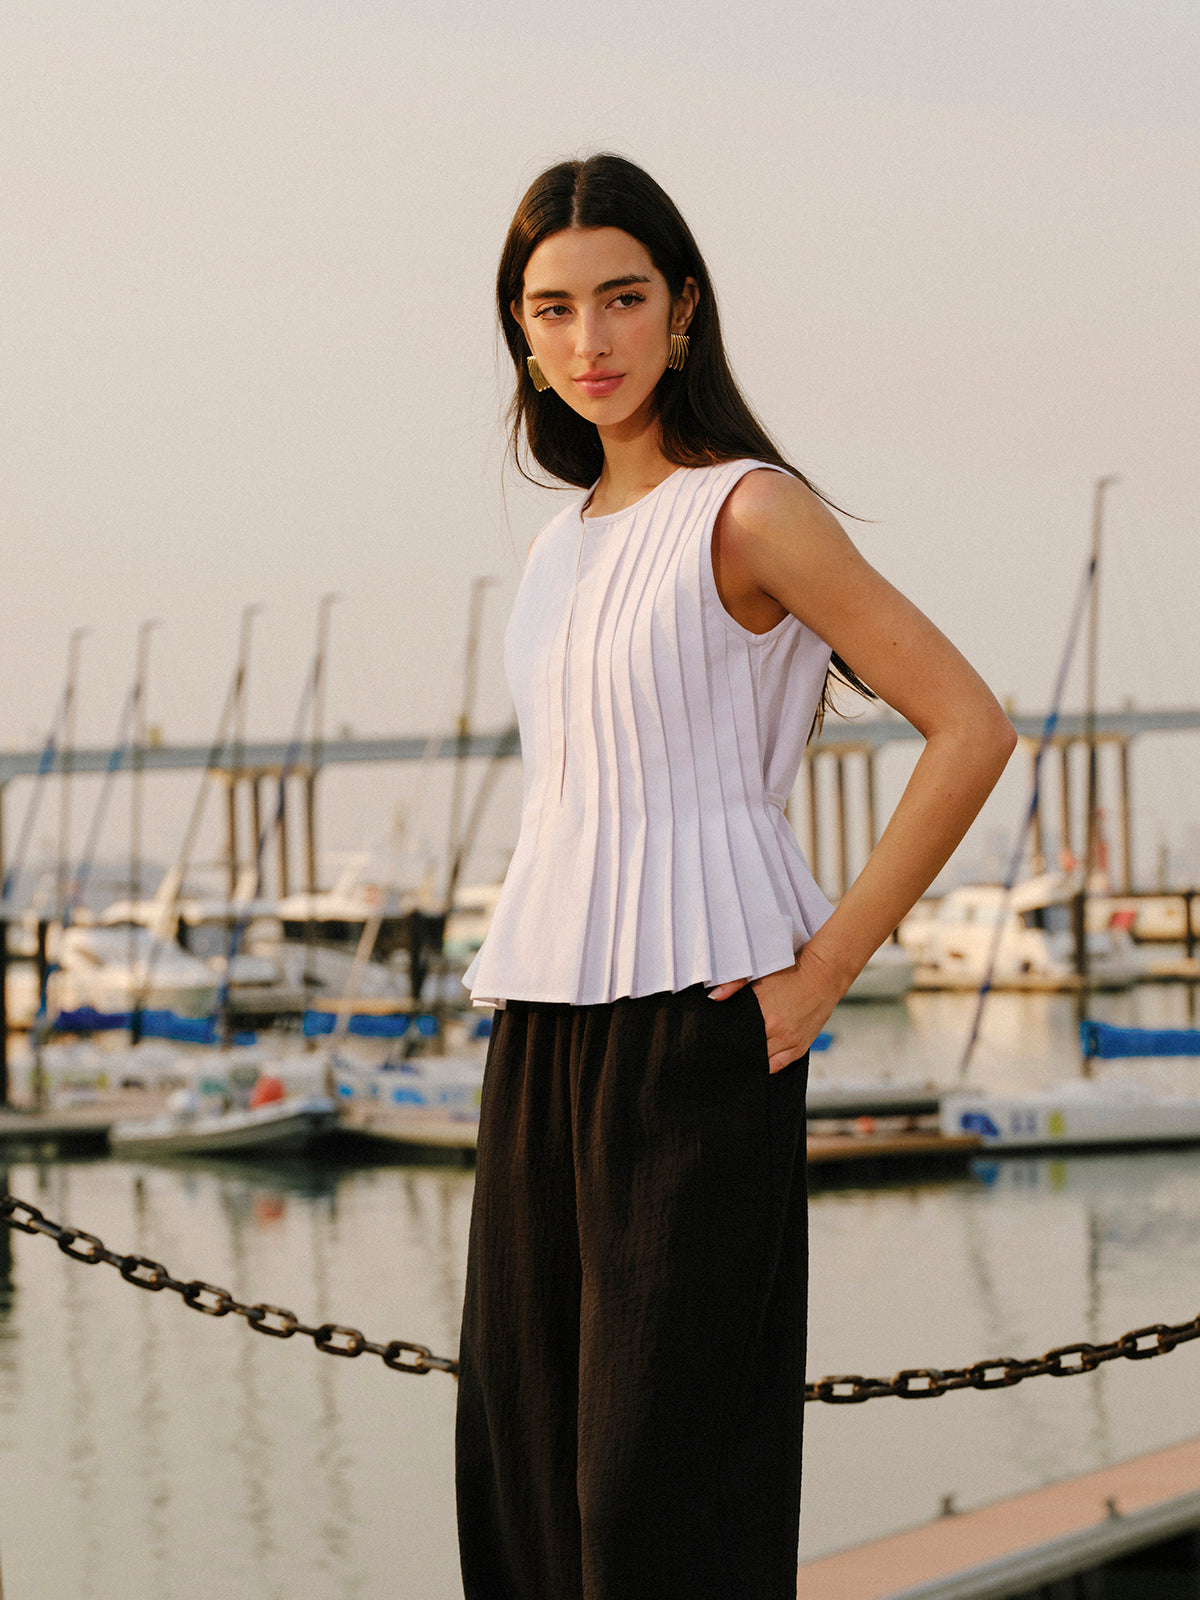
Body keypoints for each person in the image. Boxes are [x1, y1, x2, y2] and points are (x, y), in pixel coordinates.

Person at [455, 153, 1016, 1600]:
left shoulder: (751, 513)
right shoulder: (553, 550)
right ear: (521, 334)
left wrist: (828, 966)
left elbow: (970, 726)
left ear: (684, 312)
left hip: (705, 1023)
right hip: (544, 1029)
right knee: (523, 1489)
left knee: (653, 1507)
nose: (592, 341)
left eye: (624, 299)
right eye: (555, 308)